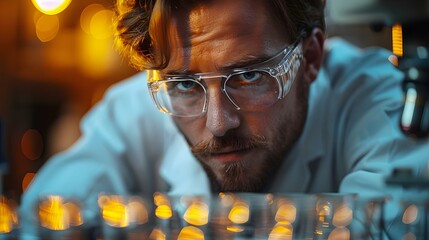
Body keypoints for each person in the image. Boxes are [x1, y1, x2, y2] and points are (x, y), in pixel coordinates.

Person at [19, 0, 429, 238]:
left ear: (311, 58)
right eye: (185, 84)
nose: (219, 123)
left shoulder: (385, 100)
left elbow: (391, 225)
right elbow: (45, 220)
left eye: (251, 76)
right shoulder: (141, 105)